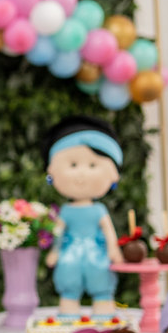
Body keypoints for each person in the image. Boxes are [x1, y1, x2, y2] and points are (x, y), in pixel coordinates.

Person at [42, 114, 124, 316]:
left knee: (101, 277)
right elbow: (59, 232)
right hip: (70, 255)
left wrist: (114, 249)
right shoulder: (66, 211)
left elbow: (108, 231)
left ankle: (103, 304)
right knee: (68, 276)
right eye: (73, 165)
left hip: (98, 255)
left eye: (92, 165)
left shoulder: (99, 210)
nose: (82, 173)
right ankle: (69, 306)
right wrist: (54, 250)